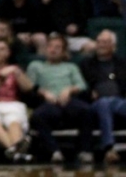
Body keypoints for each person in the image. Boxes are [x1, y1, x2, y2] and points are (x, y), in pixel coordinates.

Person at [27, 33, 94, 164]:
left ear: (63, 52)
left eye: (58, 47)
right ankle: (55, 151)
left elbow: (82, 85)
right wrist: (44, 92)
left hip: (69, 101)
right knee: (37, 116)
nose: (53, 49)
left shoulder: (71, 67)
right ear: (46, 49)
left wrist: (69, 90)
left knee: (87, 111)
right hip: (48, 101)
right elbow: (29, 86)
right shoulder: (35, 65)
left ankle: (85, 151)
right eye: (50, 46)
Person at [79, 29, 126, 165]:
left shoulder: (122, 64)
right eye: (99, 41)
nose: (101, 45)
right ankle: (109, 148)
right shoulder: (86, 64)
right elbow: (80, 86)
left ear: (114, 46)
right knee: (104, 102)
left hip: (120, 101)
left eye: (105, 42)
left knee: (112, 102)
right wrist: (89, 93)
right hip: (96, 103)